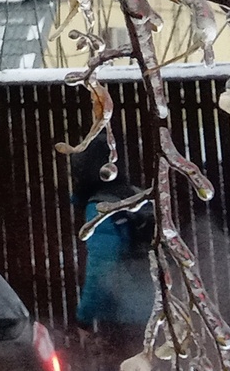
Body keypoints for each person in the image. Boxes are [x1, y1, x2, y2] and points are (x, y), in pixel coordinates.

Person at [71, 138, 155, 371]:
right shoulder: (138, 197)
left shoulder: (100, 207)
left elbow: (101, 268)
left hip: (123, 318)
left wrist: (84, 318)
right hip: (156, 310)